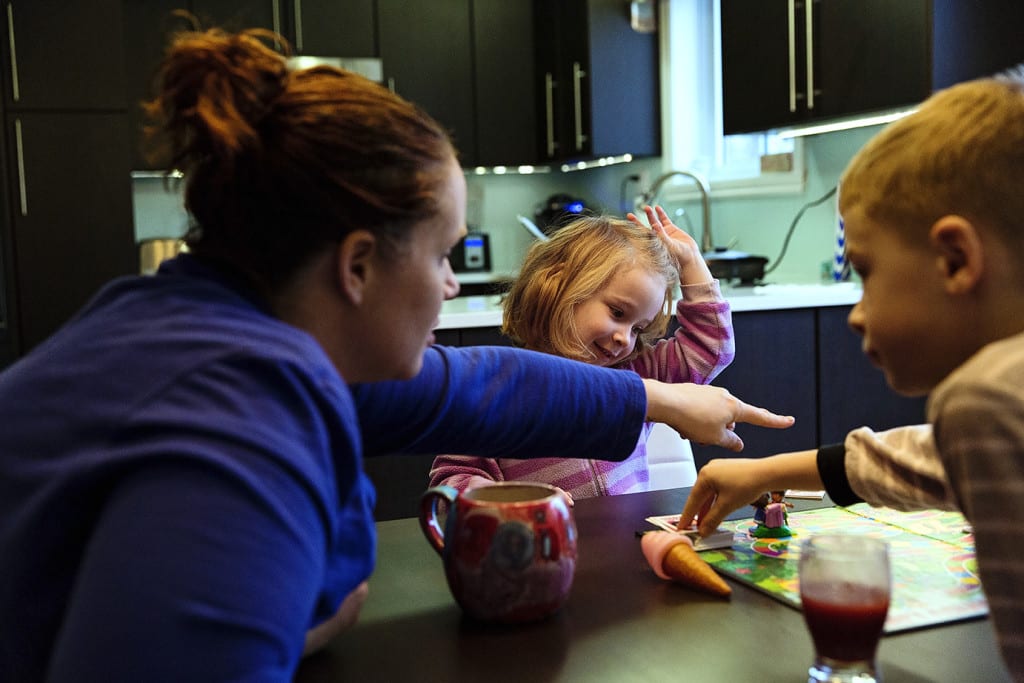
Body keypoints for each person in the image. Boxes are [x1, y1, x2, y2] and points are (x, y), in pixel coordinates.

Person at [0, 26, 794, 682]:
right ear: (356, 267)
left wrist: (658, 399)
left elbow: (482, 388)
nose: (452, 285)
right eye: (444, 254)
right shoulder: (228, 431)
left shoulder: (217, 328)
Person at [678, 68, 1024, 678]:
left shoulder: (987, 397)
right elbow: (922, 460)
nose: (858, 313)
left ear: (955, 260)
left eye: (865, 271)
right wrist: (767, 471)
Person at [430, 206, 734, 500]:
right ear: (558, 287)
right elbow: (451, 480)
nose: (624, 338)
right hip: (544, 547)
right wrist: (504, 498)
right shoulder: (498, 391)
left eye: (637, 329)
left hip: (626, 545)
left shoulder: (637, 375)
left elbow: (710, 349)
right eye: (617, 312)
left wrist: (692, 262)